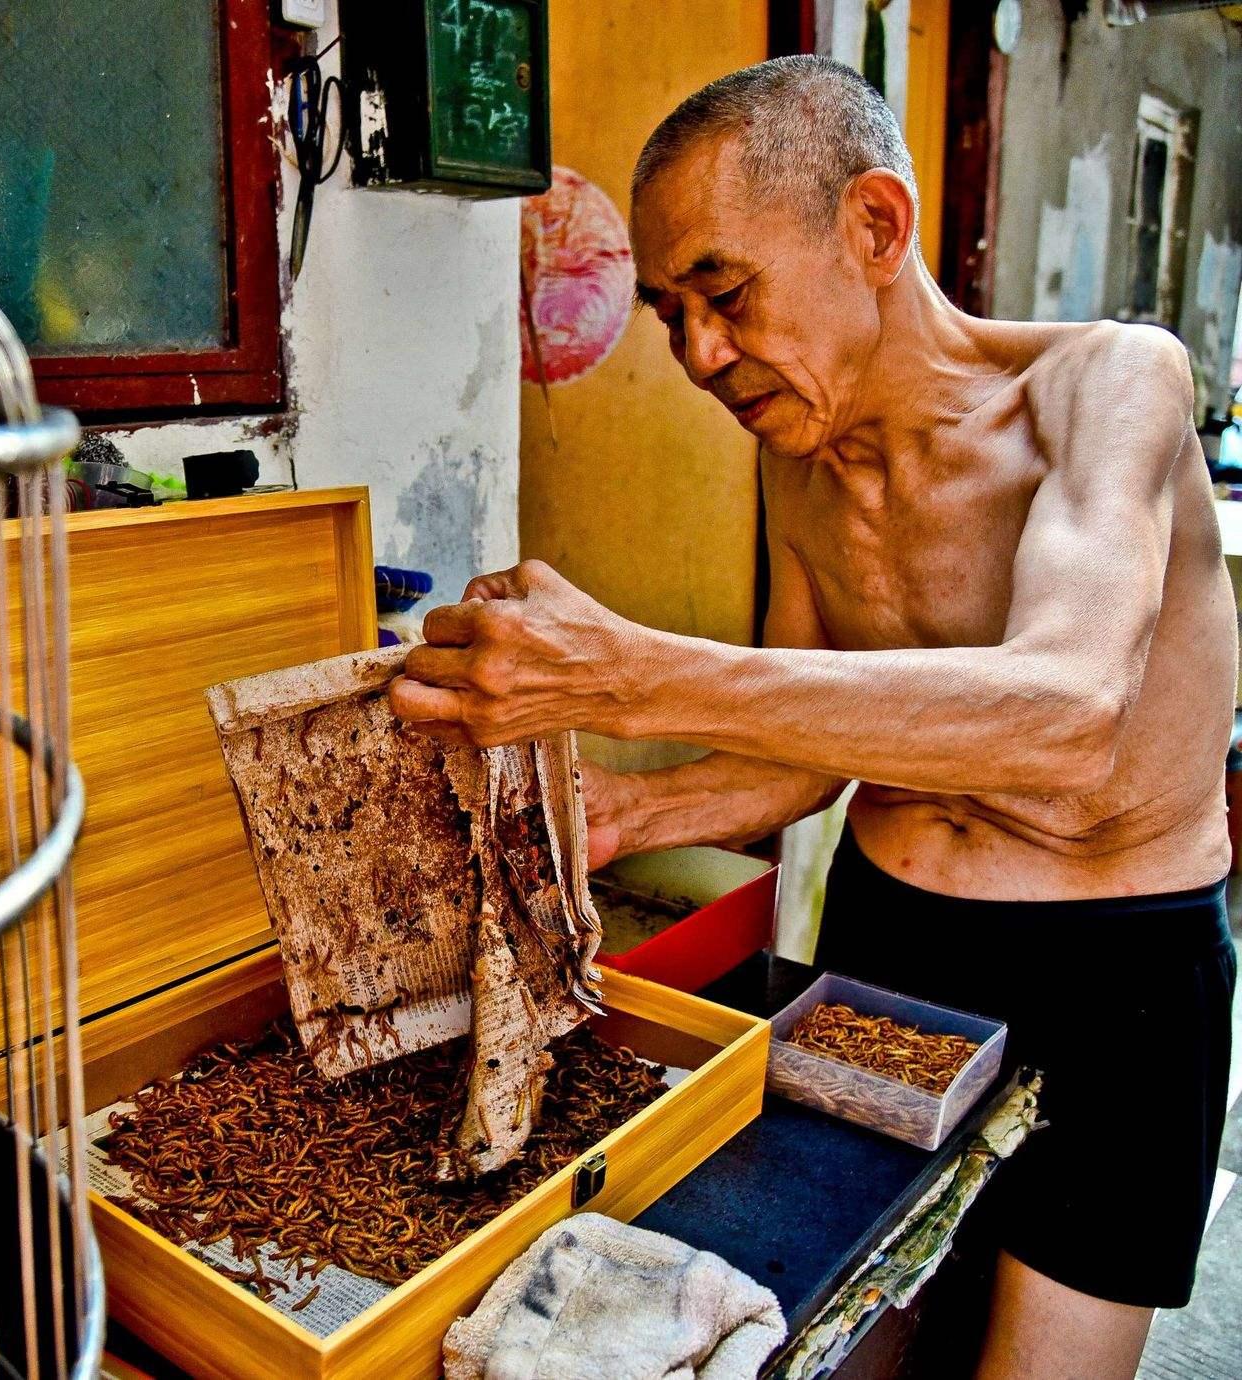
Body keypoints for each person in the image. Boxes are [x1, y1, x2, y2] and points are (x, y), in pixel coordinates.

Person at [391, 55, 1237, 1380]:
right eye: (673, 315)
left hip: (1117, 971)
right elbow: (799, 754)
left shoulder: (1111, 385)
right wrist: (622, 816)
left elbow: (1069, 717)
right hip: (891, 943)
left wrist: (626, 672)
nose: (699, 356)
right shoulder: (797, 456)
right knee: (842, 1337)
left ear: (878, 227)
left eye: (724, 294)